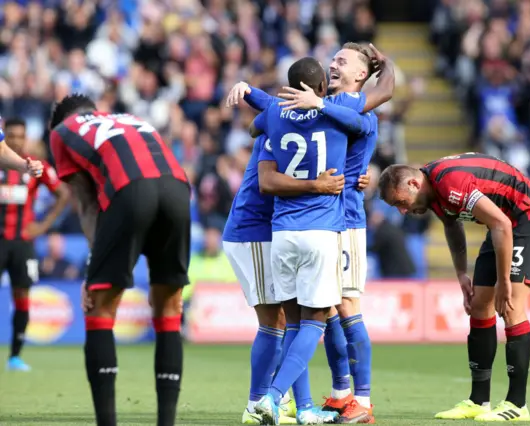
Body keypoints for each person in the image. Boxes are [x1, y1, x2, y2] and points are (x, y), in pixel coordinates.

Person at [231, 42, 395, 424]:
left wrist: (263, 99)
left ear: (361, 74)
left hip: (343, 221)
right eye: (332, 60)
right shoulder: (338, 110)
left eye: (343, 61)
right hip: (320, 226)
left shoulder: (355, 109)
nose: (334, 64)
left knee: (344, 310)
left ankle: (360, 400)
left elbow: (257, 125)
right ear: (322, 81)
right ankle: (333, 395)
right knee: (324, 316)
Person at [378, 153, 530, 422]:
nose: (403, 211)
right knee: (479, 306)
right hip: (501, 224)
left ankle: (517, 404)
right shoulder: (433, 193)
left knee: (510, 306)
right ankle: (478, 401)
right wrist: (462, 273)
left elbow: (503, 223)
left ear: (414, 184)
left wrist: (505, 280)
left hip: (528, 218)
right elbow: (452, 224)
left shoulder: (449, 183)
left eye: (401, 203)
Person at [48, 94, 191, 426]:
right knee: (168, 311)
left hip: (130, 190)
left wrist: (93, 269)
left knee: (100, 309)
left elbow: (85, 205)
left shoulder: (61, 132)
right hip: (178, 191)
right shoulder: (130, 118)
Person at [221, 132, 345, 425]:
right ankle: (257, 404)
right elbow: (268, 183)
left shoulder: (302, 130)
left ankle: (300, 406)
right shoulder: (280, 129)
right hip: (253, 231)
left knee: (292, 321)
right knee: (275, 322)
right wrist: (317, 185)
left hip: (273, 233)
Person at [1, 118, 69, 371]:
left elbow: (63, 193)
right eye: (11, 135)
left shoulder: (35, 167)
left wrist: (43, 226)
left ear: (26, 137)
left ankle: (15, 357)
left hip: (22, 242)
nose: (16, 140)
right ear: (4, 136)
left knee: (22, 296)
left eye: (21, 136)